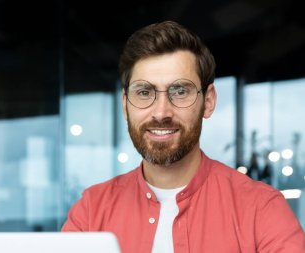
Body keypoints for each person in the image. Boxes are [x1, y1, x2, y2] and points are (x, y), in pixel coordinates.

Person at [62, 20, 305, 253]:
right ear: (125, 105)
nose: (161, 112)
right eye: (144, 92)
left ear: (208, 101)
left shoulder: (262, 209)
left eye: (180, 91)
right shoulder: (91, 211)